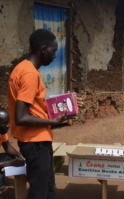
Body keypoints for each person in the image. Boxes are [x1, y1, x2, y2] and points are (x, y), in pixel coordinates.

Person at [7, 29, 82, 199]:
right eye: (53, 51)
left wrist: (67, 105)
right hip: (36, 143)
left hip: (37, 140)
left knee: (48, 188)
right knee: (39, 193)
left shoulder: (21, 68)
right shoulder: (30, 74)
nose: (55, 56)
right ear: (42, 49)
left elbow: (35, 108)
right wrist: (54, 122)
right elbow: (21, 117)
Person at [0, 108, 25, 191]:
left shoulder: (2, 132)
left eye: (8, 122)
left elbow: (7, 147)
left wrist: (19, 155)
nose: (8, 125)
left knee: (11, 157)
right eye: (5, 123)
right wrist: (9, 163)